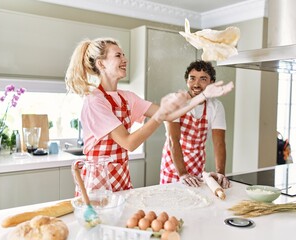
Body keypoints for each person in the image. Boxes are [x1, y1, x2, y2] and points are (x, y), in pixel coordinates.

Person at [65, 37, 233, 192]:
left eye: (124, 55)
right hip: (98, 182)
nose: (125, 59)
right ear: (101, 64)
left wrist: (204, 96)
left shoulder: (127, 97)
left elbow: (170, 115)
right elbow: (128, 143)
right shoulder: (95, 101)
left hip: (121, 177)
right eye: (118, 55)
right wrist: (159, 115)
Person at [160, 60, 231, 189]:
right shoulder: (176, 102)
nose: (196, 84)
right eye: (192, 79)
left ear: (211, 83)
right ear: (187, 81)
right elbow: (173, 140)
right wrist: (183, 174)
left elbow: (219, 143)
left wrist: (220, 173)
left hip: (197, 165)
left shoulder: (215, 106)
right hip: (173, 167)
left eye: (203, 79)